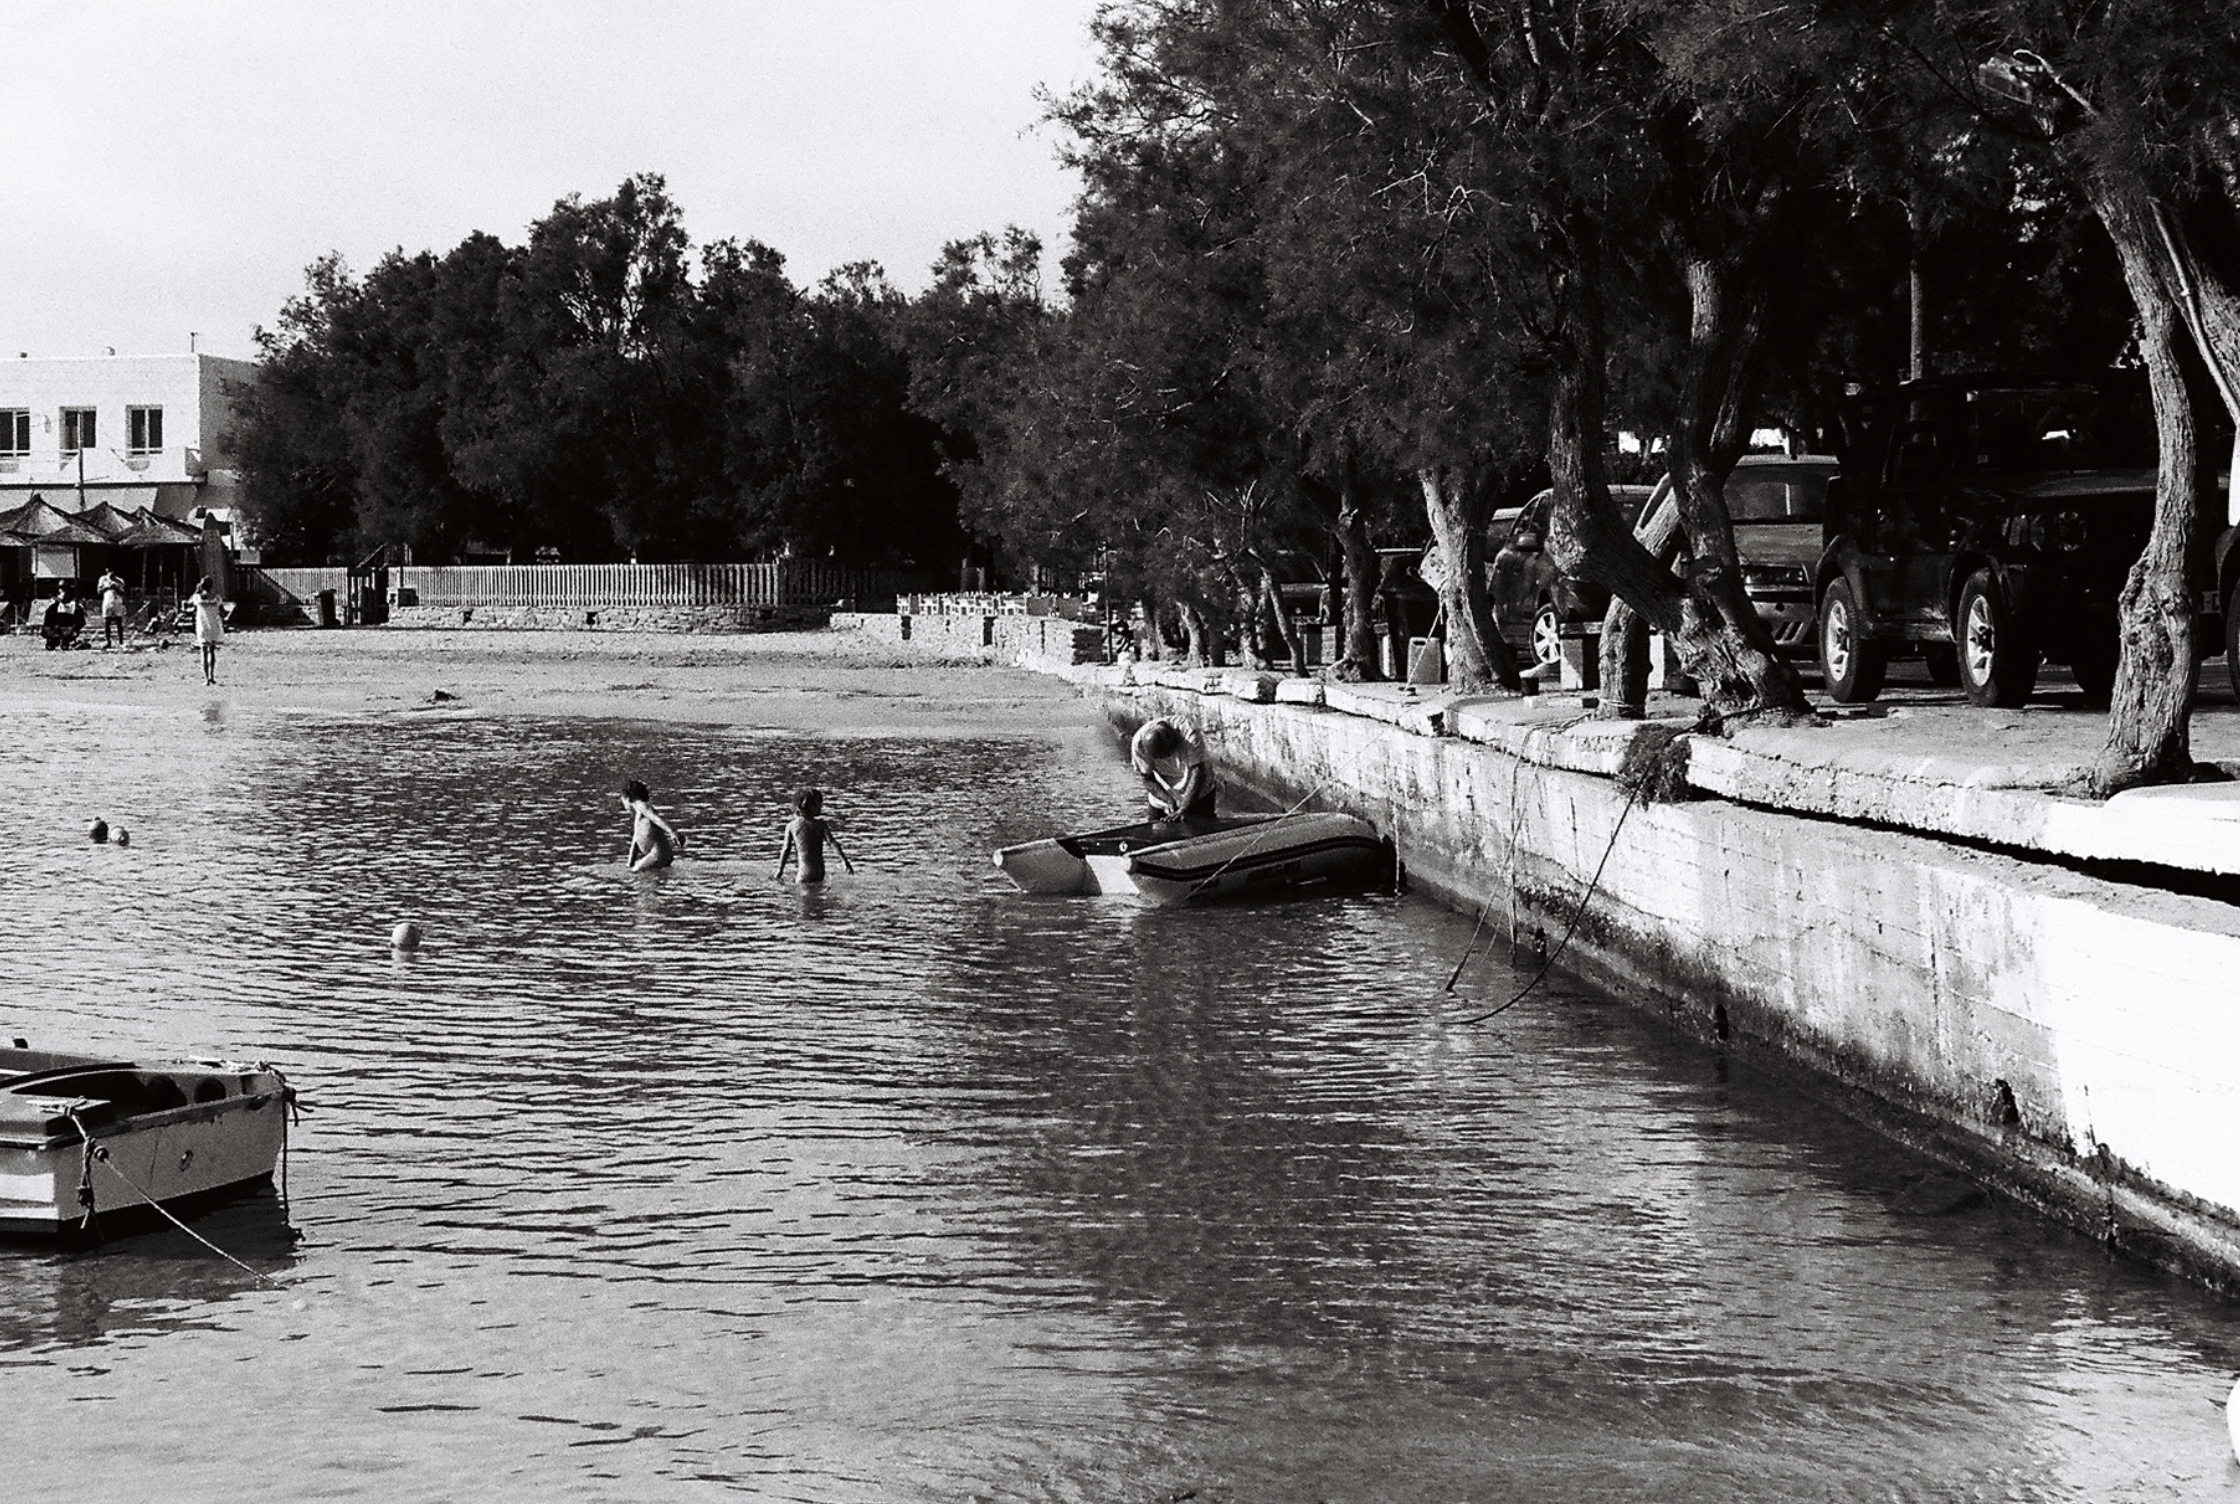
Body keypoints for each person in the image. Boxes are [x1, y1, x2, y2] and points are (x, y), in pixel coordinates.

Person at [1130, 716, 1217, 821]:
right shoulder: (1138, 745)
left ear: (1173, 737)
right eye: (1160, 757)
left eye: (1168, 752)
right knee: (1157, 830)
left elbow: (1197, 772)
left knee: (1202, 829)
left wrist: (1185, 807)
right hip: (1163, 792)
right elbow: (1147, 779)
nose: (1167, 757)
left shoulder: (1188, 732)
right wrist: (1168, 800)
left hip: (1198, 791)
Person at [775, 786, 854, 884]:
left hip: (803, 874)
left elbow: (786, 849)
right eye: (819, 804)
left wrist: (780, 870)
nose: (821, 807)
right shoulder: (820, 824)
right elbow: (832, 843)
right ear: (811, 806)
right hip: (819, 874)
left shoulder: (791, 826)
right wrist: (844, 861)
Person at [621, 780, 683, 871]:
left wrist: (671, 831)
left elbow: (655, 818)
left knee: (636, 871)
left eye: (623, 801)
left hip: (658, 853)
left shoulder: (641, 806)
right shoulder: (638, 814)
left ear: (628, 798)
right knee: (649, 879)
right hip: (657, 854)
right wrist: (630, 862)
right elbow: (635, 841)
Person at [189, 576, 225, 684]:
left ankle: (206, 679)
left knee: (204, 652)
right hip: (213, 626)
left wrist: (197, 589)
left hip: (203, 627)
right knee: (212, 652)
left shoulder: (198, 598)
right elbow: (222, 611)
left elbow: (190, 604)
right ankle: (212, 676)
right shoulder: (217, 598)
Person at [41, 582, 83, 651]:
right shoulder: (55, 603)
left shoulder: (71, 601)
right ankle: (54, 639)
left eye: (62, 588)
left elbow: (64, 600)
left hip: (66, 618)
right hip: (58, 619)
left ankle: (62, 639)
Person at [96, 568, 127, 648]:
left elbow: (123, 592)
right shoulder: (103, 579)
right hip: (107, 602)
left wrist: (116, 588)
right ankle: (108, 641)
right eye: (109, 570)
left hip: (117, 602)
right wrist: (107, 587)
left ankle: (121, 642)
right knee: (107, 622)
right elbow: (99, 591)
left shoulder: (120, 580)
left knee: (119, 622)